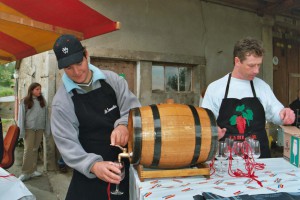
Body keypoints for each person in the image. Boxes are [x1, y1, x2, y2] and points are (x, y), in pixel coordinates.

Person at [51, 34, 141, 200]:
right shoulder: (61, 102)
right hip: (88, 175)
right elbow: (67, 144)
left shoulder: (113, 80)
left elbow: (134, 109)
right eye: (69, 68)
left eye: (79, 63)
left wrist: (123, 125)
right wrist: (93, 165)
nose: (77, 72)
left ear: (86, 55)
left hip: (122, 168)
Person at [202, 37, 295, 158]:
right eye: (251, 65)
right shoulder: (215, 88)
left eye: (259, 65)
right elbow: (204, 122)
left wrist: (284, 114)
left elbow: (276, 113)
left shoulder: (262, 87)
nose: (256, 70)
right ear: (237, 61)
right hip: (226, 163)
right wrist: (213, 131)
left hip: (261, 162)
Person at [18, 82, 50, 181]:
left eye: (40, 89)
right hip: (29, 129)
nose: (39, 91)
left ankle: (33, 170)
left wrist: (46, 130)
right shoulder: (25, 101)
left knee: (35, 149)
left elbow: (46, 116)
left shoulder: (42, 101)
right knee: (28, 150)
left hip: (39, 129)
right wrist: (21, 131)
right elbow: (21, 117)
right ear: (31, 90)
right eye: (37, 89)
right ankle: (25, 172)